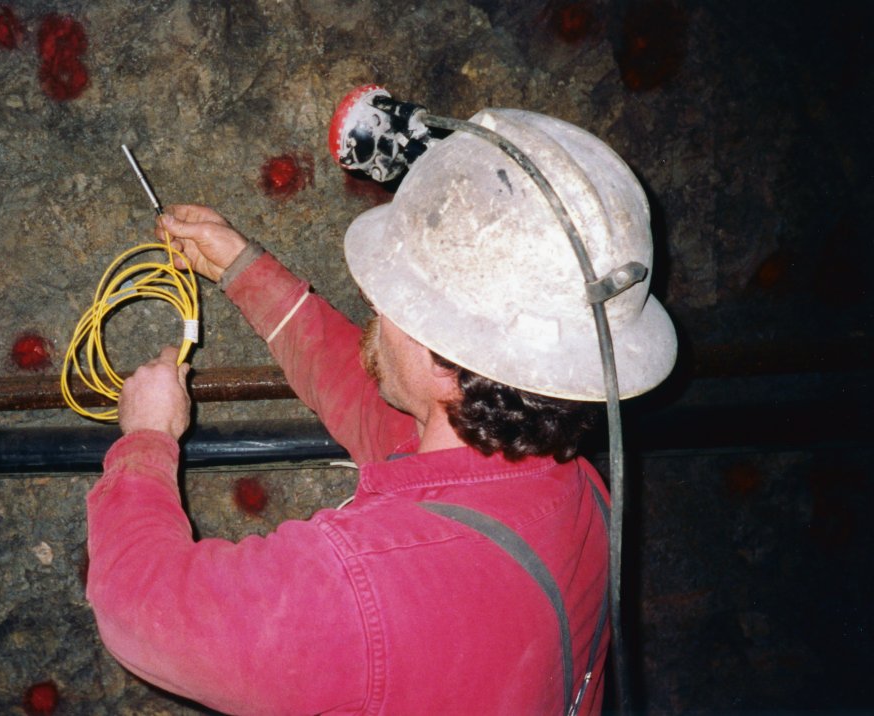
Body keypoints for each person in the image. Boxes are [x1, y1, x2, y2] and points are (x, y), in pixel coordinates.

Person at [85, 108, 677, 714]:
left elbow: (141, 610)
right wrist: (244, 271)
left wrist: (148, 437)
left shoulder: (363, 590)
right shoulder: (571, 487)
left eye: (391, 295)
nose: (374, 305)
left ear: (447, 353)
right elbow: (375, 406)